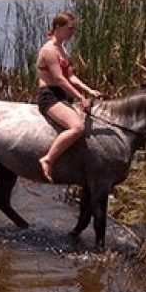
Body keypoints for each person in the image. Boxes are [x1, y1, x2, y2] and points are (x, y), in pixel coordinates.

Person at [36, 11, 101, 181]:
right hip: (49, 95)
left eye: (74, 29)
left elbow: (71, 77)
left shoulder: (62, 48)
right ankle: (48, 159)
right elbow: (59, 79)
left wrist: (89, 90)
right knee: (77, 127)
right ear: (58, 28)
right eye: (69, 28)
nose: (72, 32)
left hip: (62, 94)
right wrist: (81, 98)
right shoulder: (49, 50)